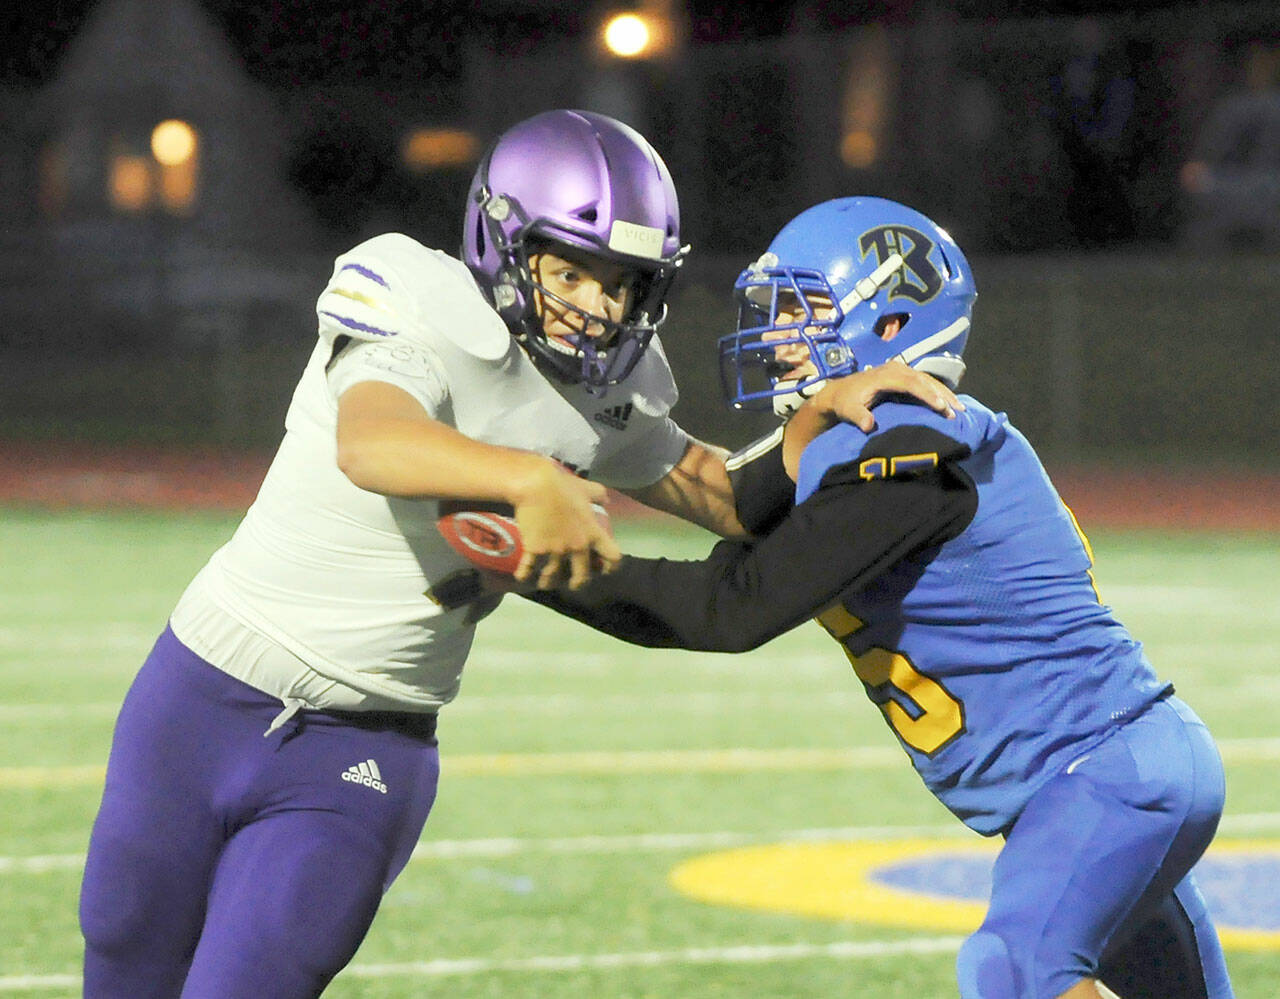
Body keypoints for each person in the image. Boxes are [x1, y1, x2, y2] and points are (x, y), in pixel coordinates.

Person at [77, 113, 958, 998]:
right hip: (196, 697)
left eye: (622, 283)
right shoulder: (413, 294)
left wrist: (823, 417)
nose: (598, 305)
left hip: (367, 742)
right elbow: (373, 441)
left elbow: (712, 488)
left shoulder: (610, 385)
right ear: (500, 240)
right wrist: (526, 478)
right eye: (570, 269)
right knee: (123, 963)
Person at [528, 197, 1236, 999]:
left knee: (1011, 969)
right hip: (1123, 768)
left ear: (891, 325)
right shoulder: (867, 431)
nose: (782, 335)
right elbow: (742, 498)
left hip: (1101, 774)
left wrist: (534, 562)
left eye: (805, 309)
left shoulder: (904, 439)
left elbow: (726, 607)